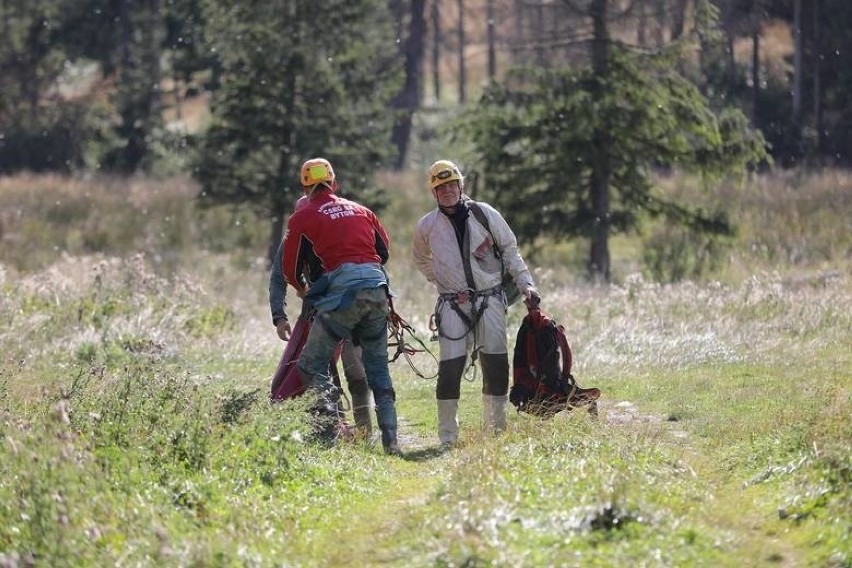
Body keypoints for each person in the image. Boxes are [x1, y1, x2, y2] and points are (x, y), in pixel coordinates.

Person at [412, 159, 540, 449]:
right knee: (450, 368)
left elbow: (510, 250)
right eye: (440, 187)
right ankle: (448, 438)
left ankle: (495, 432)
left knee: (495, 364)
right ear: (434, 193)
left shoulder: (485, 214)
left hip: (491, 298)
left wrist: (527, 285)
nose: (447, 191)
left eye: (451, 184)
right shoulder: (426, 226)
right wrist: (441, 280)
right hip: (451, 305)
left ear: (461, 185)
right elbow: (420, 259)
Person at [280, 157, 400, 455]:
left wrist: (303, 288)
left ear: (305, 187)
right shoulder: (362, 210)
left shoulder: (303, 217)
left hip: (342, 298)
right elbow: (383, 251)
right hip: (377, 290)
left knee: (311, 364)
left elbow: (290, 269)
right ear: (334, 183)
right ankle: (392, 441)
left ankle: (332, 429)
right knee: (378, 369)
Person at [269, 219, 374, 439]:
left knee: (356, 372)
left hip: (351, 312)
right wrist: (279, 315)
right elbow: (280, 276)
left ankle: (364, 432)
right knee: (316, 372)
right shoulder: (292, 236)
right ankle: (332, 427)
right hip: (315, 316)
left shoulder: (343, 231)